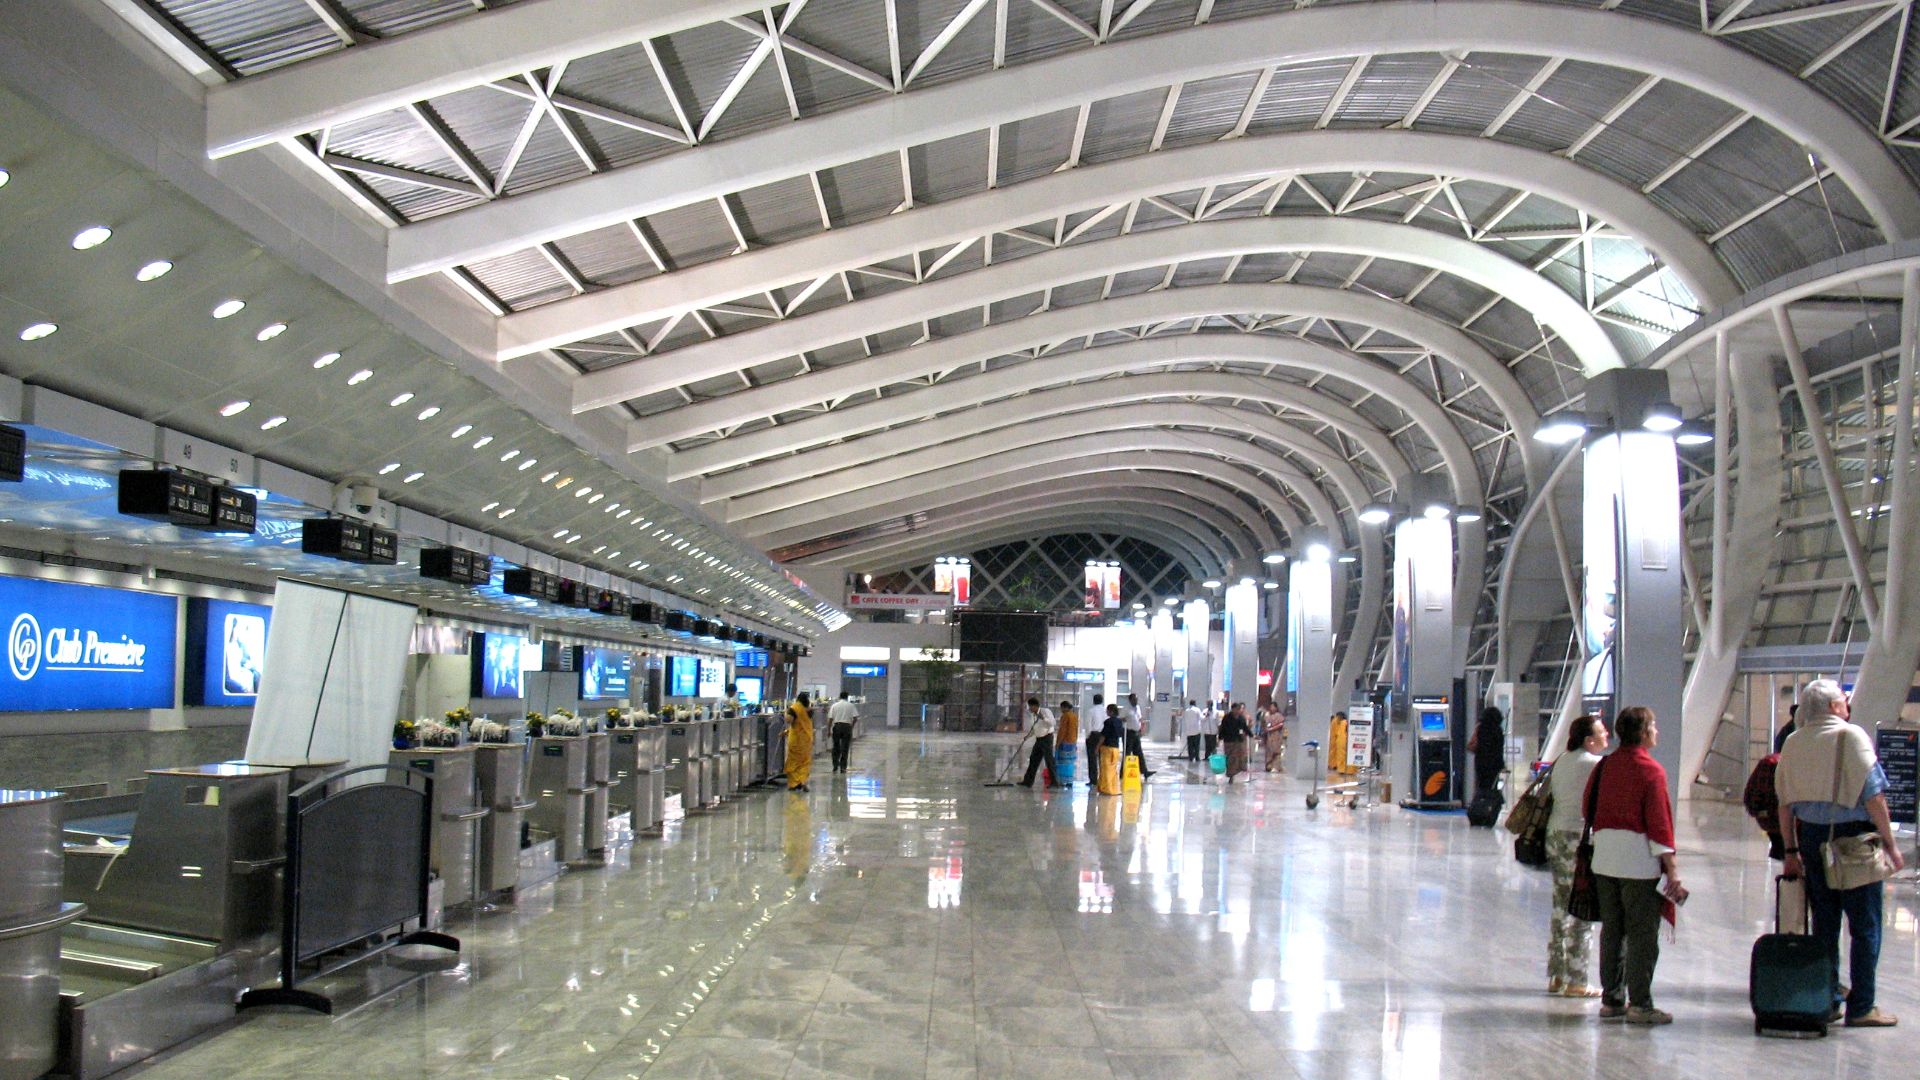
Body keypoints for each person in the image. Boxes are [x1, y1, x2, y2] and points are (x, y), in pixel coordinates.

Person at [1776, 679, 1905, 1028]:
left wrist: (1790, 849)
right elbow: (1874, 797)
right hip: (1853, 843)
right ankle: (1861, 1006)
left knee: (1824, 924)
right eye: (1843, 700)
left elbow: (1784, 804)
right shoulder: (1851, 737)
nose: (1847, 705)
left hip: (1811, 840)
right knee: (1865, 926)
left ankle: (1827, 999)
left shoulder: (1793, 742)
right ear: (1834, 706)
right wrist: (1891, 846)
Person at [1587, 706, 1686, 1025]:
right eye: (1653, 726)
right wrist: (1671, 868)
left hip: (1604, 859)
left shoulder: (1604, 766)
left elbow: (1587, 805)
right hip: (1639, 862)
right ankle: (1640, 1002)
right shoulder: (1651, 771)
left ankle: (1612, 999)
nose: (1657, 732)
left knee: (1612, 930)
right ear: (1642, 733)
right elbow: (1659, 824)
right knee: (1642, 933)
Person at [1545, 715, 1608, 997]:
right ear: (1589, 740)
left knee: (1561, 906)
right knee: (1582, 905)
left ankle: (1556, 976)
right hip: (1577, 839)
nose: (1606, 736)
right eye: (1601, 732)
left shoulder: (1562, 760)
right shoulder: (1594, 765)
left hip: (1555, 835)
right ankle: (1577, 980)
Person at [1019, 697, 1058, 789]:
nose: (1029, 709)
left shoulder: (1045, 711)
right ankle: (1028, 781)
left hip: (1047, 739)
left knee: (1049, 761)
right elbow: (1034, 728)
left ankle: (1054, 782)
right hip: (1039, 739)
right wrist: (1027, 737)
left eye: (1030, 707)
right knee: (1033, 760)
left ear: (1035, 706)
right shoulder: (1033, 715)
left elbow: (1053, 723)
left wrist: (1043, 718)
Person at [1470, 704, 1505, 797]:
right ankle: (1491, 804)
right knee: (1493, 786)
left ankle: (1481, 804)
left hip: (1481, 762)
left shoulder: (1480, 728)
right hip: (1495, 764)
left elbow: (1472, 745)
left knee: (1482, 786)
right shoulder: (1499, 730)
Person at [784, 692, 814, 792]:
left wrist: (785, 712)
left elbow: (789, 721)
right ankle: (803, 781)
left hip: (796, 740)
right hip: (807, 740)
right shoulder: (809, 710)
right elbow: (804, 724)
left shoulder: (794, 708)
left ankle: (794, 784)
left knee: (793, 761)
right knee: (805, 762)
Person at [1218, 703, 1252, 783]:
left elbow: (1245, 728)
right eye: (1236, 709)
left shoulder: (1241, 718)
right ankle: (1231, 774)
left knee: (1237, 758)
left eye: (1239, 709)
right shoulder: (1227, 717)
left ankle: (1234, 773)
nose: (1238, 711)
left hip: (1238, 741)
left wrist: (1251, 735)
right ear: (1232, 709)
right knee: (1230, 759)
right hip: (1229, 741)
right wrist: (1219, 738)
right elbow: (1222, 728)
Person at [826, 691, 858, 773]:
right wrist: (851, 726)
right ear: (847, 697)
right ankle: (843, 767)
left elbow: (830, 719)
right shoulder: (851, 705)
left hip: (837, 726)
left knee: (836, 747)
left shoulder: (834, 705)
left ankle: (835, 766)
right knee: (845, 747)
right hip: (847, 727)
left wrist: (829, 730)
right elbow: (855, 718)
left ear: (839, 697)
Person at [1123, 693, 1153, 778]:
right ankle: (1123, 772)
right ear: (1130, 700)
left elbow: (1139, 719)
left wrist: (1141, 730)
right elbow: (1121, 718)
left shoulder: (1138, 708)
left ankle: (1145, 772)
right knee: (1127, 753)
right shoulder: (1126, 709)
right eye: (1134, 699)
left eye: (1136, 699)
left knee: (1139, 753)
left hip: (1136, 733)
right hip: (1128, 733)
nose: (1136, 701)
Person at [1084, 693, 1106, 787]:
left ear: (1094, 701)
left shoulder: (1091, 711)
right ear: (1102, 701)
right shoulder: (1106, 711)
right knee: (1102, 758)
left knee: (1092, 758)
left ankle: (1093, 780)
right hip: (1104, 735)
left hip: (1094, 735)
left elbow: (1088, 725)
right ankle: (1103, 779)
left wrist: (1088, 736)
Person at [1056, 699, 1080, 781]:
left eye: (1061, 708)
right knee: (1070, 762)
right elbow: (1076, 729)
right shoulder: (1074, 716)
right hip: (1073, 741)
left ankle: (1063, 779)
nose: (1061, 710)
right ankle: (1070, 779)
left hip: (1065, 742)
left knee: (1063, 762)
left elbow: (1062, 731)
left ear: (1065, 708)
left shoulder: (1065, 716)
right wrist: (1076, 741)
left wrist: (1057, 743)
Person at [1260, 703, 1286, 772]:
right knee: (1269, 751)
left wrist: (1272, 729)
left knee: (1276, 751)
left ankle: (1276, 766)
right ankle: (1269, 766)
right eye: (1270, 706)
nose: (1271, 708)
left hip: (1276, 736)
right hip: (1268, 737)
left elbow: (1281, 724)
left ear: (1276, 708)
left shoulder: (1279, 716)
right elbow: (1264, 724)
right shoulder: (1268, 716)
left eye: (1273, 707)